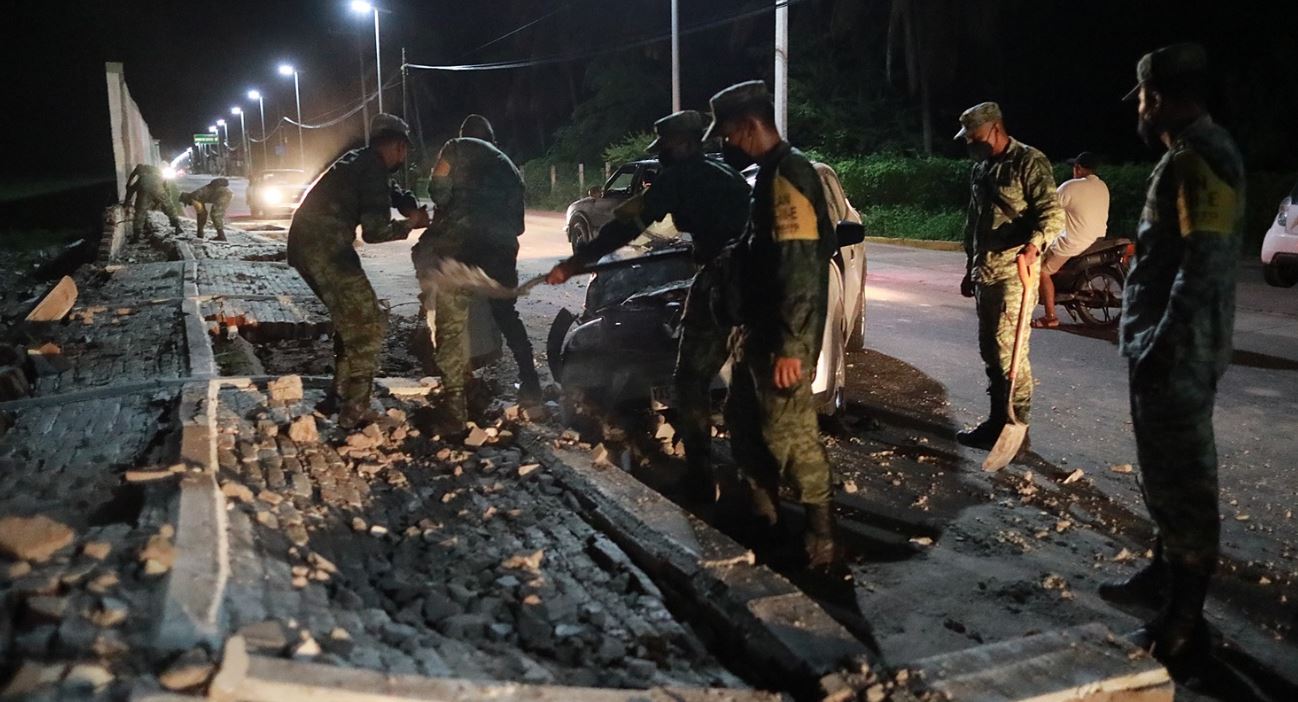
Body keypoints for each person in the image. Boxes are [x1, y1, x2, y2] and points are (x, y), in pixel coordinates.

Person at [1099, 43, 1243, 668]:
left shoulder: (1198, 158)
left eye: (1142, 98)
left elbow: (1204, 266)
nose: (1139, 109)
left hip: (1177, 353)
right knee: (1165, 473)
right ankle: (1164, 579)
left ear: (1156, 97)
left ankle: (1185, 624)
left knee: (1184, 480)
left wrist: (1160, 345)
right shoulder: (1192, 155)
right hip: (1166, 348)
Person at [546, 110, 752, 501]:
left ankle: (700, 476)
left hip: (727, 280)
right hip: (755, 282)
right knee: (746, 380)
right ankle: (753, 478)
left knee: (690, 379)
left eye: (668, 149)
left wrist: (576, 262)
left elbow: (629, 225)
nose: (662, 158)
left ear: (688, 144)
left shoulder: (680, 176)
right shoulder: (722, 172)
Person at [703, 81, 837, 568]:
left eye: (728, 135)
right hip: (755, 333)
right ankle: (765, 516)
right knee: (744, 422)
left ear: (746, 127)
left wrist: (792, 348)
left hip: (779, 339)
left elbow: (800, 269)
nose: (726, 145)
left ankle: (821, 538)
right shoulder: (772, 173)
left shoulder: (789, 175)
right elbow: (760, 252)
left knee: (791, 435)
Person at [287, 114, 428, 429]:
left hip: (306, 244)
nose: (403, 158)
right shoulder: (373, 170)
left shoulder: (359, 160)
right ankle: (355, 409)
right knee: (368, 324)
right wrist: (412, 223)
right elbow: (374, 232)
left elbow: (391, 189)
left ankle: (339, 395)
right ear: (397, 146)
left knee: (351, 319)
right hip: (325, 249)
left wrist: (406, 202)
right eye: (403, 151)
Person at [954, 102, 1064, 451]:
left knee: (1010, 355)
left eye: (976, 136)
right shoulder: (981, 167)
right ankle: (996, 421)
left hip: (1015, 274)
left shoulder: (1029, 161)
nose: (971, 143)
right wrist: (970, 266)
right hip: (985, 273)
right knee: (991, 351)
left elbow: (1052, 215)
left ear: (996, 129)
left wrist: (1034, 246)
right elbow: (975, 220)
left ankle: (1018, 428)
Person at [413, 114, 533, 431]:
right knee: (507, 315)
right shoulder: (510, 168)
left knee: (450, 322)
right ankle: (531, 383)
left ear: (465, 135)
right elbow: (518, 226)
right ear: (491, 138)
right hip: (501, 252)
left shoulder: (454, 147)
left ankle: (455, 405)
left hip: (461, 251)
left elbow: (436, 191)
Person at [1035, 152, 1111, 328]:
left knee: (1042, 271)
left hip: (1075, 242)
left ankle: (1050, 316)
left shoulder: (1071, 187)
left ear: (1078, 168)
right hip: (1097, 239)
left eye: (1074, 167)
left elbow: (1047, 208)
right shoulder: (1102, 186)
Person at [123, 163, 182, 237]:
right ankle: (177, 227)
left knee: (140, 212)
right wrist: (166, 200)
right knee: (169, 207)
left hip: (145, 186)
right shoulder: (157, 172)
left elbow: (130, 190)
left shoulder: (141, 178)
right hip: (158, 186)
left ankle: (136, 236)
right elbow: (166, 187)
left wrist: (125, 202)